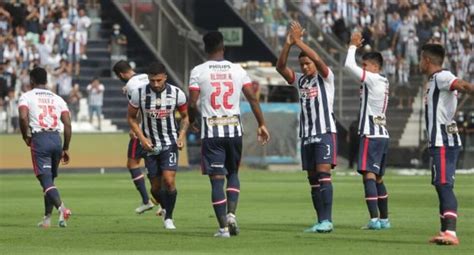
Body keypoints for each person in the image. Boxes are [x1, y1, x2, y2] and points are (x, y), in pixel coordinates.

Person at [188, 31, 270, 238]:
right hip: (234, 129)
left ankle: (223, 228)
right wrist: (261, 124)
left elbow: (192, 103)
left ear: (205, 48)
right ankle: (232, 214)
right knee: (233, 173)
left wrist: (191, 120)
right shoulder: (238, 69)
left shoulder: (198, 71)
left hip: (212, 130)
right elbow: (252, 98)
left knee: (217, 179)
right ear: (223, 47)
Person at [276, 21, 337, 233]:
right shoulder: (300, 81)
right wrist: (288, 44)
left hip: (324, 133)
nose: (305, 67)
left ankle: (328, 220)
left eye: (308, 64)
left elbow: (319, 59)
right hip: (307, 135)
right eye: (302, 65)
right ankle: (320, 221)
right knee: (312, 180)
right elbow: (280, 68)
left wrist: (299, 41)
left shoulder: (327, 79)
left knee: (323, 174)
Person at [419, 43, 474, 246]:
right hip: (442, 140)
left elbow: (464, 86)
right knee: (441, 184)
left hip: (444, 141)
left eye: (420, 59)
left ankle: (451, 231)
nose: (419, 63)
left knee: (444, 185)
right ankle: (445, 231)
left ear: (427, 60)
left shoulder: (442, 76)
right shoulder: (434, 80)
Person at [127, 62, 189, 230]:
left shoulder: (177, 93)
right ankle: (164, 207)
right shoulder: (138, 94)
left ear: (165, 78)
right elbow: (131, 118)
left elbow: (185, 117)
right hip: (150, 146)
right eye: (152, 80)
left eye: (158, 80)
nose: (155, 84)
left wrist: (181, 137)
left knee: (169, 181)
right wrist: (142, 138)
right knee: (155, 188)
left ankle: (169, 217)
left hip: (169, 143)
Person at [344, 32, 391, 230]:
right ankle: (384, 220)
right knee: (378, 178)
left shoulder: (372, 79)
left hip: (371, 135)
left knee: (368, 176)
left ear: (375, 67)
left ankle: (373, 220)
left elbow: (348, 66)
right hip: (382, 135)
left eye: (365, 66)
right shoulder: (384, 81)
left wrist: (352, 46)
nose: (363, 69)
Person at [18, 67, 72, 228]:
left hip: (40, 139)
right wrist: (66, 147)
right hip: (56, 138)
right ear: (46, 81)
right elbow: (68, 124)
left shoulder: (26, 96)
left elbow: (22, 116)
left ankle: (62, 209)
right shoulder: (58, 98)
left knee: (45, 180)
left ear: (31, 81)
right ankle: (47, 219)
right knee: (49, 181)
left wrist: (25, 136)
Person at [112, 60, 155, 214]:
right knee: (154, 166)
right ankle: (162, 206)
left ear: (122, 74)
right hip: (157, 128)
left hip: (142, 130)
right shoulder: (145, 77)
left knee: (132, 163)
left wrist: (135, 127)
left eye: (119, 77)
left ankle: (146, 200)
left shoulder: (131, 85)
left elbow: (138, 108)